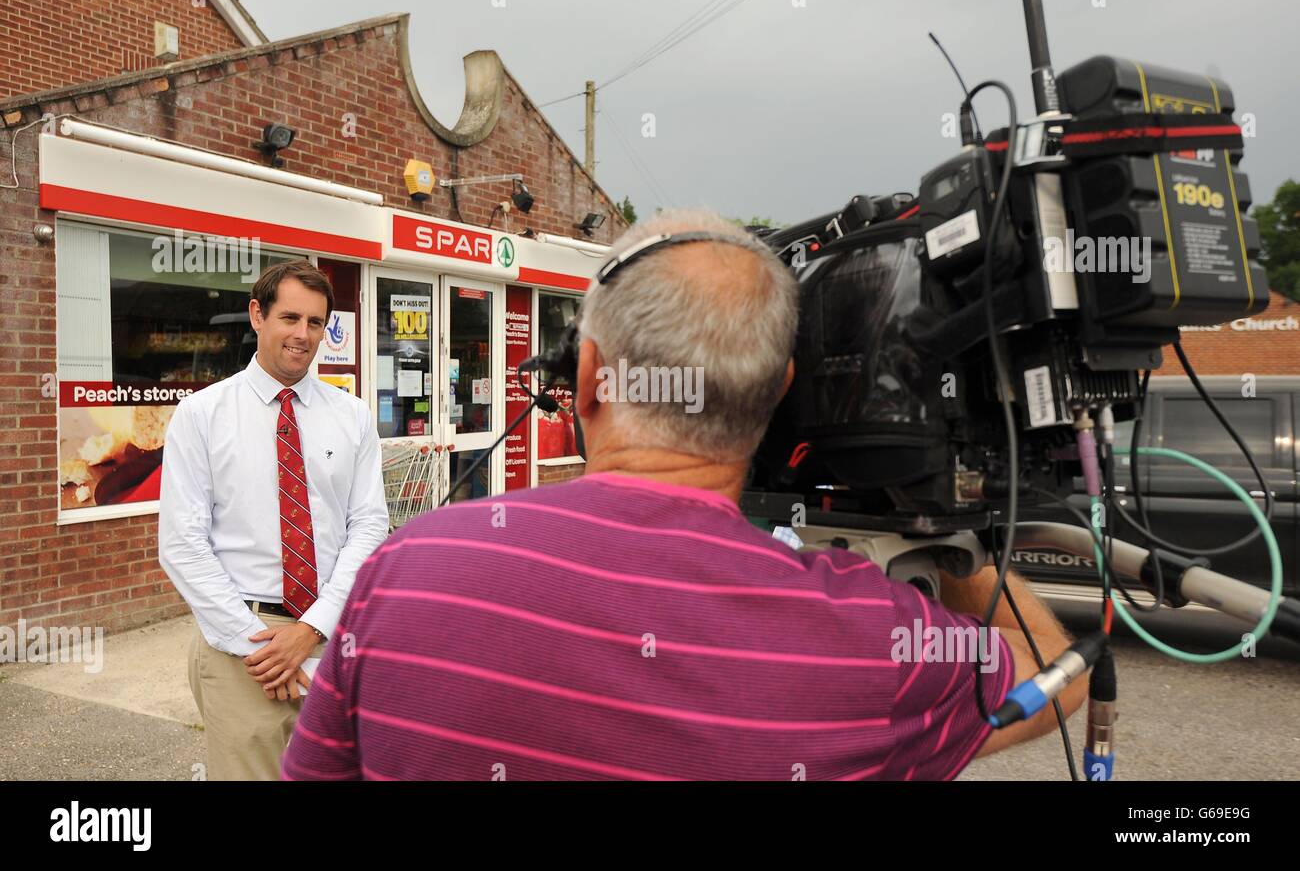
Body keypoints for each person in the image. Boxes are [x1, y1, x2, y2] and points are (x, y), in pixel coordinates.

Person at [283, 210, 1085, 780]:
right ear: (777, 397)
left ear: (590, 375)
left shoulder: (409, 566)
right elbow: (1055, 668)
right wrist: (928, 502)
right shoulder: (867, 638)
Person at [159, 259, 389, 780]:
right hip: (242, 645)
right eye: (289, 318)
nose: (302, 335)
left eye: (315, 322)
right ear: (257, 315)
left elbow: (369, 526)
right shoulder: (202, 415)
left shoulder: (351, 415)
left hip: (332, 636)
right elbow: (182, 544)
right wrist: (260, 648)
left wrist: (311, 628)